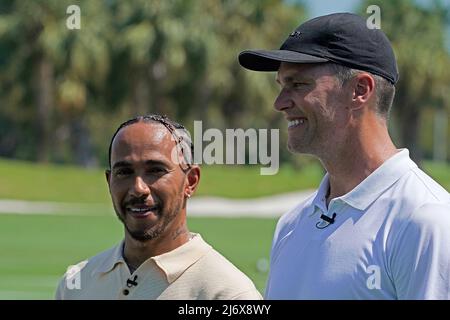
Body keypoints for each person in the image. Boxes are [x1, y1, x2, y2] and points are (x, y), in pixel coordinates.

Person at [238, 13, 450, 299]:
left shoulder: (426, 220)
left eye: (298, 85)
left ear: (359, 90)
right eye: (281, 86)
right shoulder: (291, 223)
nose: (280, 103)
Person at [55, 114, 262, 300]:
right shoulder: (75, 285)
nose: (138, 188)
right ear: (109, 181)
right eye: (124, 172)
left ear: (190, 181)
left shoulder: (230, 294)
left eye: (155, 170)